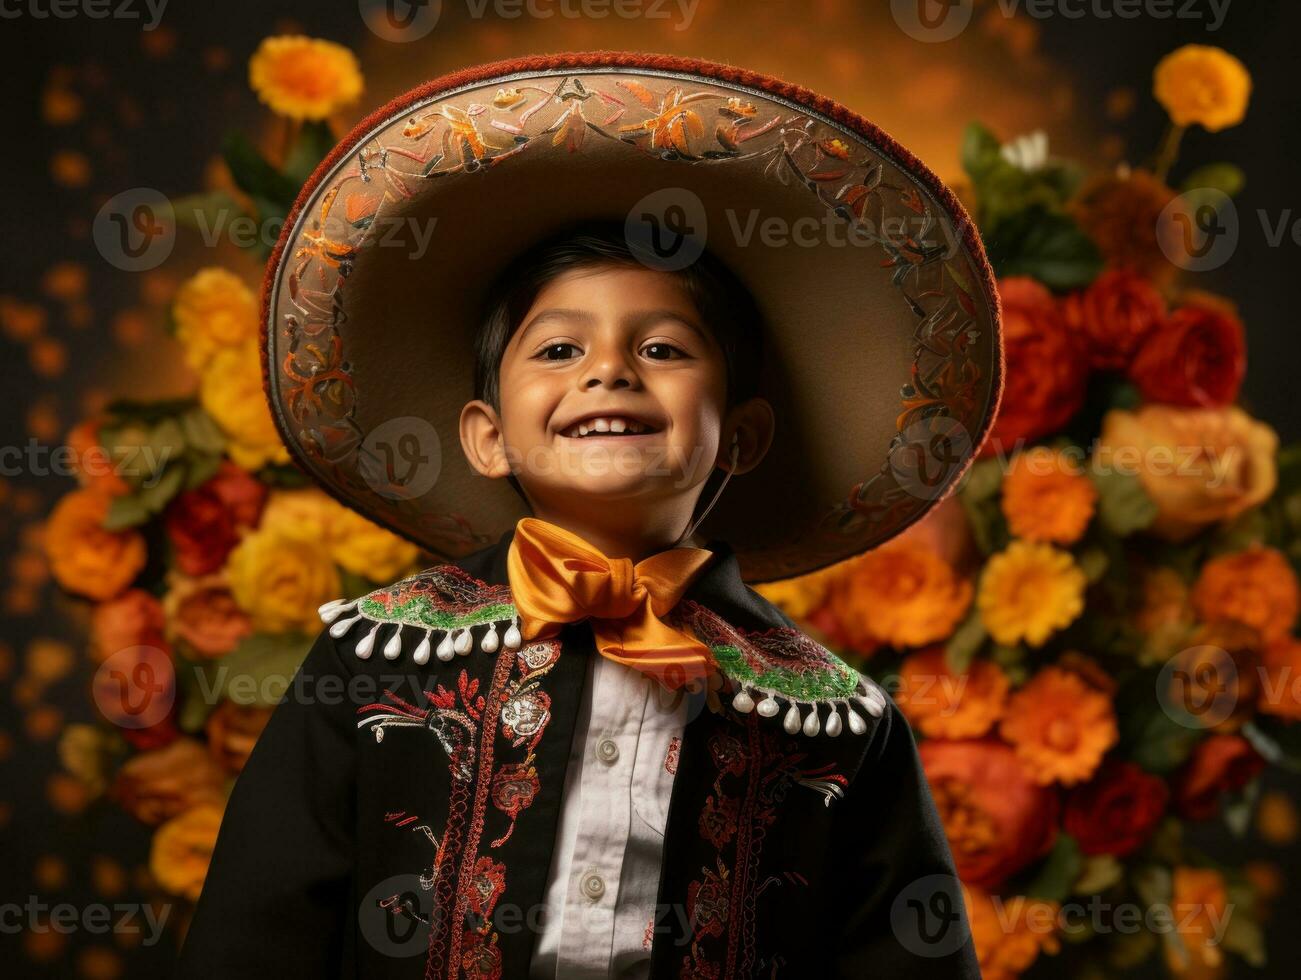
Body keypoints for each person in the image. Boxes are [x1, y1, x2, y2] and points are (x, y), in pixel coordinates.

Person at [176, 52, 1003, 979]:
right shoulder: (374, 659)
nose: (608, 371)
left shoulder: (834, 722)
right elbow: (257, 931)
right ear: (487, 436)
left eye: (660, 347)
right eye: (560, 348)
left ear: (741, 435)